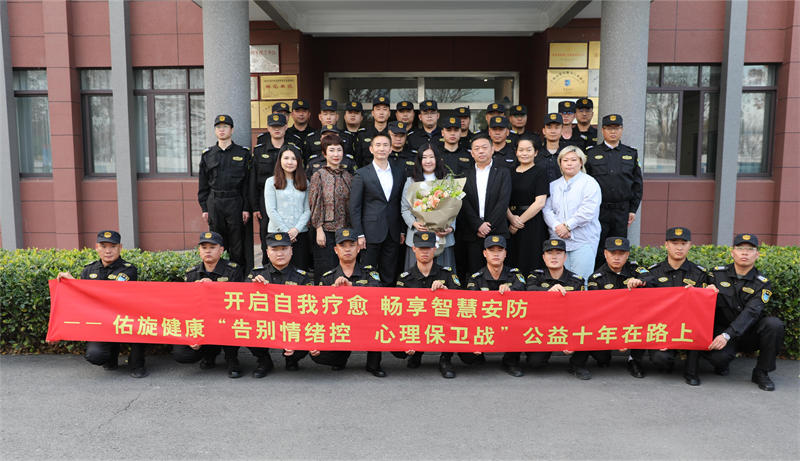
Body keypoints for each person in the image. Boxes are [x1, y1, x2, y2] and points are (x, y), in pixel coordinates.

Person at [173, 232, 271, 379]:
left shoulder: (233, 270)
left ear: (221, 250)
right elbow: (187, 307)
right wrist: (192, 335)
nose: (207, 251)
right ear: (199, 250)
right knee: (182, 354)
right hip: (203, 321)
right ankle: (209, 354)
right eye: (204, 247)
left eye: (212, 247)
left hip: (227, 318)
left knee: (234, 323)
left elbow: (239, 302)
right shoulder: (191, 274)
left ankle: (232, 359)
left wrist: (213, 288)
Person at [56, 230, 147, 378]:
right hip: (101, 321)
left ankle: (137, 364)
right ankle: (111, 356)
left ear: (120, 248)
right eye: (103, 246)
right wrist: (71, 284)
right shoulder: (88, 270)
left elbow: (110, 293)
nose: (108, 251)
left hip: (125, 318)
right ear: (96, 247)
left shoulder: (128, 269)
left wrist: (74, 282)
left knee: (140, 324)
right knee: (95, 356)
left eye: (113, 246)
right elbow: (82, 297)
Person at [702, 233, 784, 391]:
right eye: (740, 248)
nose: (745, 253)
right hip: (722, 329)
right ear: (732, 252)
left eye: (750, 249)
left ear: (757, 254)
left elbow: (752, 312)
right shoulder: (716, 275)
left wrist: (727, 335)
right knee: (718, 358)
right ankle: (722, 362)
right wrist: (704, 291)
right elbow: (698, 300)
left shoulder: (763, 283)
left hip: (748, 333)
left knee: (774, 325)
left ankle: (761, 372)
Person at [641, 226, 712, 386]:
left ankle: (691, 371)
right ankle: (669, 362)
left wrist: (701, 292)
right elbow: (647, 306)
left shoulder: (699, 273)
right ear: (666, 245)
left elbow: (703, 307)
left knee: (697, 328)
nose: (679, 248)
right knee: (661, 359)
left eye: (683, 243)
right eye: (674, 243)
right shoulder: (653, 272)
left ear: (690, 246)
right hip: (663, 326)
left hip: (689, 325)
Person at [317, 228, 384, 376]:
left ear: (358, 248)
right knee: (318, 355)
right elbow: (320, 310)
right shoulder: (328, 277)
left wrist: (353, 287)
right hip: (340, 326)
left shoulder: (369, 272)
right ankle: (340, 358)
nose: (347, 249)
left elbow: (378, 293)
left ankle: (374, 365)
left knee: (377, 321)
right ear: (336, 250)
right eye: (342, 245)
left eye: (352, 245)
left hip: (365, 322)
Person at [394, 231, 460, 371]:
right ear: (414, 249)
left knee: (453, 321)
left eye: (428, 248)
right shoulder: (405, 278)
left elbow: (460, 301)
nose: (424, 252)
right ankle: (417, 352)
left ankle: (445, 358)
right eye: (421, 248)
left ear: (434, 249)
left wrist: (445, 291)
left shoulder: (447, 274)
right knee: (397, 350)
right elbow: (399, 309)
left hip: (441, 322)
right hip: (416, 323)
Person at [248, 232, 313, 372]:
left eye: (284, 249)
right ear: (267, 252)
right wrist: (253, 288)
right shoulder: (256, 275)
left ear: (291, 251)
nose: (280, 254)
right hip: (265, 324)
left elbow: (308, 310)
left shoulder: (302, 277)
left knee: (308, 330)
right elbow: (242, 305)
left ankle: (292, 360)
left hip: (291, 324)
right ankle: (264, 360)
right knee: (245, 327)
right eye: (274, 249)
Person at [525, 239, 590, 379]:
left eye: (558, 253)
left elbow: (581, 312)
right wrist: (549, 291)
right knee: (535, 363)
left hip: (568, 326)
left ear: (565, 257)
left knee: (587, 328)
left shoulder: (576, 280)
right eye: (550, 253)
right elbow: (529, 291)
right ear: (544, 257)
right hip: (542, 327)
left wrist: (571, 339)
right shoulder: (535, 276)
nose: (554, 257)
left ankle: (577, 365)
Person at [587, 237, 651, 378]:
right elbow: (595, 307)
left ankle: (634, 360)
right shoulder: (596, 277)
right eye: (612, 253)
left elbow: (650, 278)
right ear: (605, 253)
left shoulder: (634, 269)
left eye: (621, 253)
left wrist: (640, 281)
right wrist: (618, 336)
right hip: (607, 322)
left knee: (647, 322)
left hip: (633, 321)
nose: (617, 257)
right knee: (602, 358)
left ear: (627, 255)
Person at [585, 114, 643, 268]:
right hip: (599, 210)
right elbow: (585, 183)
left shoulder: (630, 154)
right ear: (602, 130)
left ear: (621, 130)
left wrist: (632, 209)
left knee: (618, 248)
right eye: (609, 128)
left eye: (616, 128)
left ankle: (616, 279)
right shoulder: (591, 153)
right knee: (598, 247)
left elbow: (637, 184)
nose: (613, 132)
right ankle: (597, 278)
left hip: (621, 210)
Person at [349, 133, 406, 286]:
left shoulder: (399, 172)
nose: (382, 148)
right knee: (367, 273)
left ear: (391, 149)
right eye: (378, 145)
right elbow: (354, 207)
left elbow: (401, 203)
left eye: (385, 145)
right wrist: (359, 234)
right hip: (369, 232)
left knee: (390, 272)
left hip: (393, 231)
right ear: (371, 149)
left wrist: (401, 230)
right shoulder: (362, 174)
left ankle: (387, 300)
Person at [465, 235, 526, 377]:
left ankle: (510, 360)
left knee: (520, 322)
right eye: (491, 250)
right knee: (468, 358)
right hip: (484, 322)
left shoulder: (515, 275)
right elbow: (471, 303)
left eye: (500, 250)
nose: (496, 254)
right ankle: (480, 354)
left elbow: (524, 290)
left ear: (505, 254)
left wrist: (511, 291)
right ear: (484, 253)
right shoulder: (476, 278)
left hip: (509, 321)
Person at [198, 114, 252, 269]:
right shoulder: (208, 155)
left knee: (237, 243)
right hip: (215, 202)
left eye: (225, 127)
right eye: (218, 127)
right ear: (215, 131)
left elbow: (247, 184)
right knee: (216, 241)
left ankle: (237, 274)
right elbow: (203, 184)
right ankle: (219, 273)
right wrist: (204, 208)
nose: (221, 130)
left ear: (232, 130)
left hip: (235, 201)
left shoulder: (242, 153)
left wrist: (246, 207)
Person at [455, 134, 511, 281]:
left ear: (492, 150)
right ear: (472, 153)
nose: (481, 151)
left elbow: (503, 201)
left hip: (496, 230)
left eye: (484, 147)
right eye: (477, 148)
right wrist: (478, 225)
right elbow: (464, 203)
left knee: (498, 274)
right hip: (473, 232)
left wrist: (488, 226)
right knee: (475, 275)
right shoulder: (464, 174)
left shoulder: (503, 172)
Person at [542, 145, 601, 282]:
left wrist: (568, 226)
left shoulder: (589, 183)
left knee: (581, 281)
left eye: (574, 160)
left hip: (583, 240)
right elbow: (547, 209)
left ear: (581, 162)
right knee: (559, 282)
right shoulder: (554, 185)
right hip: (558, 241)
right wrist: (557, 227)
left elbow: (587, 211)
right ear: (560, 163)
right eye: (565, 160)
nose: (569, 163)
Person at [400, 143, 456, 270]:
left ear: (437, 159)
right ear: (419, 160)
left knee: (443, 274)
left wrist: (450, 228)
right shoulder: (411, 181)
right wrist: (414, 223)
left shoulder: (447, 180)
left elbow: (453, 209)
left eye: (431, 157)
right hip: (418, 235)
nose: (428, 161)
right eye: (424, 157)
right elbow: (404, 208)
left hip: (442, 236)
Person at [307, 133, 353, 284]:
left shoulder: (348, 176)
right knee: (325, 269)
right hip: (326, 231)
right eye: (331, 150)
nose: (336, 154)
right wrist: (319, 229)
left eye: (339, 150)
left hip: (344, 231)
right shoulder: (318, 175)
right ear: (324, 153)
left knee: (344, 269)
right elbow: (315, 203)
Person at [264, 144, 311, 270]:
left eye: (293, 159)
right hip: (277, 233)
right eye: (286, 158)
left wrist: (296, 230)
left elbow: (307, 210)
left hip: (299, 234)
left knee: (300, 270)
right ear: (280, 160)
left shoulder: (305, 182)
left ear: (298, 162)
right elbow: (271, 210)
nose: (290, 162)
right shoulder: (271, 182)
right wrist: (286, 232)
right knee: (279, 270)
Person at [507, 138, 549, 275]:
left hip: (532, 222)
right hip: (509, 220)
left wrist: (518, 222)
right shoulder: (508, 172)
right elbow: (502, 199)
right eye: (521, 150)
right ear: (516, 152)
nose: (524, 153)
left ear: (535, 152)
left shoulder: (540, 172)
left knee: (530, 259)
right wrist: (511, 219)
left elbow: (540, 202)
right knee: (511, 260)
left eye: (528, 150)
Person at [252, 113, 288, 264]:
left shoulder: (291, 150)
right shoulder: (260, 151)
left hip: (287, 197)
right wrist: (255, 206)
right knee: (266, 234)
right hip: (264, 200)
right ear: (268, 128)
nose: (277, 129)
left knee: (287, 233)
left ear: (286, 127)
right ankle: (267, 267)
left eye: (280, 126)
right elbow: (253, 179)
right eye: (273, 127)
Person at [537, 113, 576, 184]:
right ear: (544, 131)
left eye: (557, 127)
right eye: (549, 127)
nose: (553, 131)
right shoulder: (536, 153)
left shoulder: (569, 153)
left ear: (562, 130)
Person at [303, 99, 344, 164]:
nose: (328, 117)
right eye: (325, 114)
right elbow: (306, 160)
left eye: (332, 114)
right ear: (320, 117)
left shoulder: (346, 136)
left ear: (337, 117)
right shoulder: (311, 137)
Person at [356, 95, 391, 166]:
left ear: (389, 113)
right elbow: (358, 159)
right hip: (367, 171)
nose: (381, 113)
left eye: (385, 109)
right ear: (372, 113)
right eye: (378, 109)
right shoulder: (363, 134)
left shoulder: (393, 134)